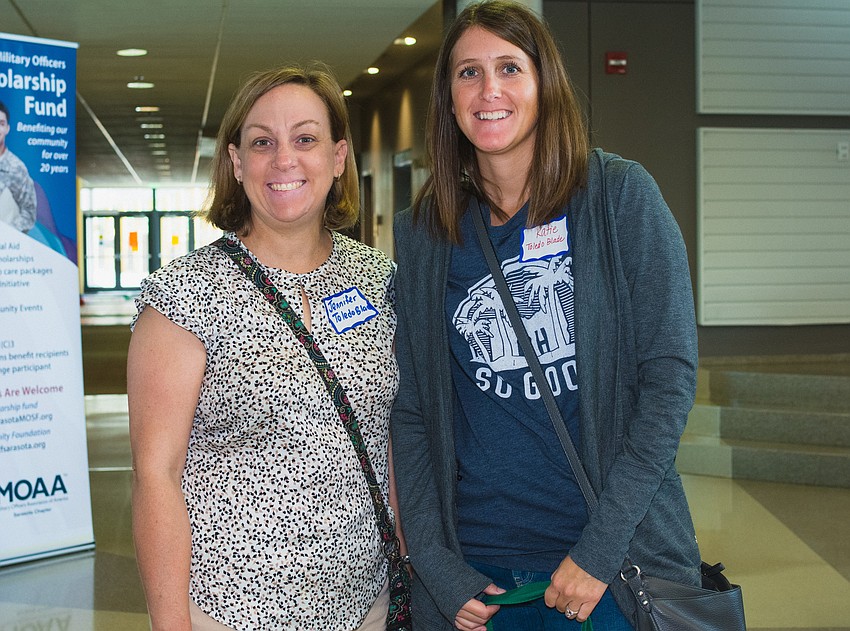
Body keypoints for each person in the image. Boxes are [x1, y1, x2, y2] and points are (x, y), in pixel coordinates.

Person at [390, 2, 702, 630]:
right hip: (479, 576)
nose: (489, 90)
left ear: (544, 84)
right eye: (468, 73)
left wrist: (599, 550)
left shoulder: (618, 198)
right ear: (448, 97)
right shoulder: (426, 233)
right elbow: (414, 408)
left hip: (609, 565)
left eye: (509, 67)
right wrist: (433, 559)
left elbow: (668, 380)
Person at [128, 64, 402, 631]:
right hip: (230, 609)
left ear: (339, 156)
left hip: (368, 606)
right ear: (236, 162)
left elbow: (396, 442)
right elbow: (156, 476)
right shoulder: (185, 294)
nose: (284, 160)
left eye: (306, 139)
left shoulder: (380, 281)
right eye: (262, 143)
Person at [0, 100, 37, 233]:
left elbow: (29, 212)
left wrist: (9, 232)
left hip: (8, 248)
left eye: (1, 124)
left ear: (7, 128)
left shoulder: (16, 168)